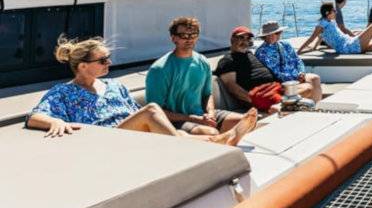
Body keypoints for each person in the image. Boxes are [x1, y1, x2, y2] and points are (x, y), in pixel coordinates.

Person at [26, 36, 256, 145]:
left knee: (187, 134)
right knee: (151, 110)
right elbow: (35, 116)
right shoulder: (64, 92)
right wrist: (54, 122)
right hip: (106, 139)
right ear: (83, 66)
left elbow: (134, 114)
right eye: (103, 60)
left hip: (131, 136)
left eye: (108, 59)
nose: (108, 63)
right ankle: (214, 143)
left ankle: (216, 141)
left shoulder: (114, 86)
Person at [146, 16, 252, 137]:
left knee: (247, 122)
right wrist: (194, 119)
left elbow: (207, 94)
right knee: (211, 133)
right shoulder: (159, 69)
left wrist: (211, 113)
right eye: (184, 36)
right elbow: (155, 112)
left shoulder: (203, 62)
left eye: (193, 34)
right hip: (175, 122)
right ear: (173, 38)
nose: (189, 39)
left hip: (201, 115)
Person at [214, 26, 279, 111]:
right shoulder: (227, 60)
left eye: (248, 38)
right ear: (232, 40)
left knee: (300, 90)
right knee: (286, 106)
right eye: (241, 38)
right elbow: (232, 87)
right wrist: (255, 102)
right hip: (260, 96)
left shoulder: (249, 54)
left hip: (274, 88)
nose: (245, 41)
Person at [254, 21, 322, 102]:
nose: (279, 34)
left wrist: (301, 72)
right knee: (308, 87)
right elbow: (274, 73)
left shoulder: (285, 45)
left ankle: (314, 108)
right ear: (266, 36)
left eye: (278, 32)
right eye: (277, 33)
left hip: (296, 76)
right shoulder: (262, 52)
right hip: (281, 82)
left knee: (315, 78)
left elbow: (297, 60)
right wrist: (295, 77)